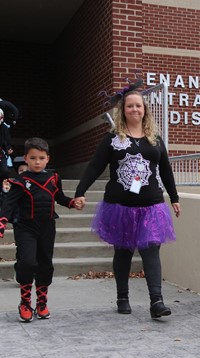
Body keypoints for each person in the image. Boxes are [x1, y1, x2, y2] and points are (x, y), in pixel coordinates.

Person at [74, 82, 181, 319]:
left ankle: (157, 302)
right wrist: (80, 191)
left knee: (151, 251)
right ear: (123, 110)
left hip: (151, 205)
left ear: (145, 109)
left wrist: (174, 198)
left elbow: (165, 170)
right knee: (122, 253)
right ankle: (122, 297)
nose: (135, 109)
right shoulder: (113, 138)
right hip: (120, 206)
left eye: (138, 106)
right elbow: (95, 166)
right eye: (130, 106)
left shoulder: (155, 139)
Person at [0, 137, 83, 323]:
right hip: (25, 228)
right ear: (26, 159)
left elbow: (59, 197)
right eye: (33, 158)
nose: (37, 162)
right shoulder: (20, 181)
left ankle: (42, 303)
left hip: (47, 227)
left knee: (45, 264)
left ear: (47, 159)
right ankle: (25, 303)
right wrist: (2, 222)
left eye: (41, 158)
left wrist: (72, 203)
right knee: (28, 262)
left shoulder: (53, 178)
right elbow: (8, 204)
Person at [0, 108, 13, 196]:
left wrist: (8, 148)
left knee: (4, 171)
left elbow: (7, 140)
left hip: (1, 153)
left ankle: (3, 190)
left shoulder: (4, 128)